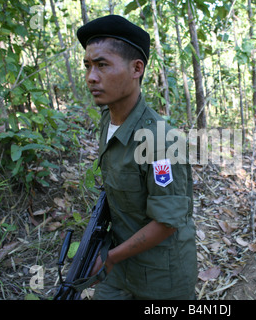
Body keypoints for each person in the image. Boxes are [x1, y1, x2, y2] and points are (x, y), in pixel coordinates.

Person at [76, 15, 197, 300]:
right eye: (88, 66)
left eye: (102, 65)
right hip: (120, 267)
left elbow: (167, 223)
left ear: (136, 69)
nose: (91, 76)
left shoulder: (161, 140)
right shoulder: (108, 119)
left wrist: (109, 258)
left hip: (161, 277)